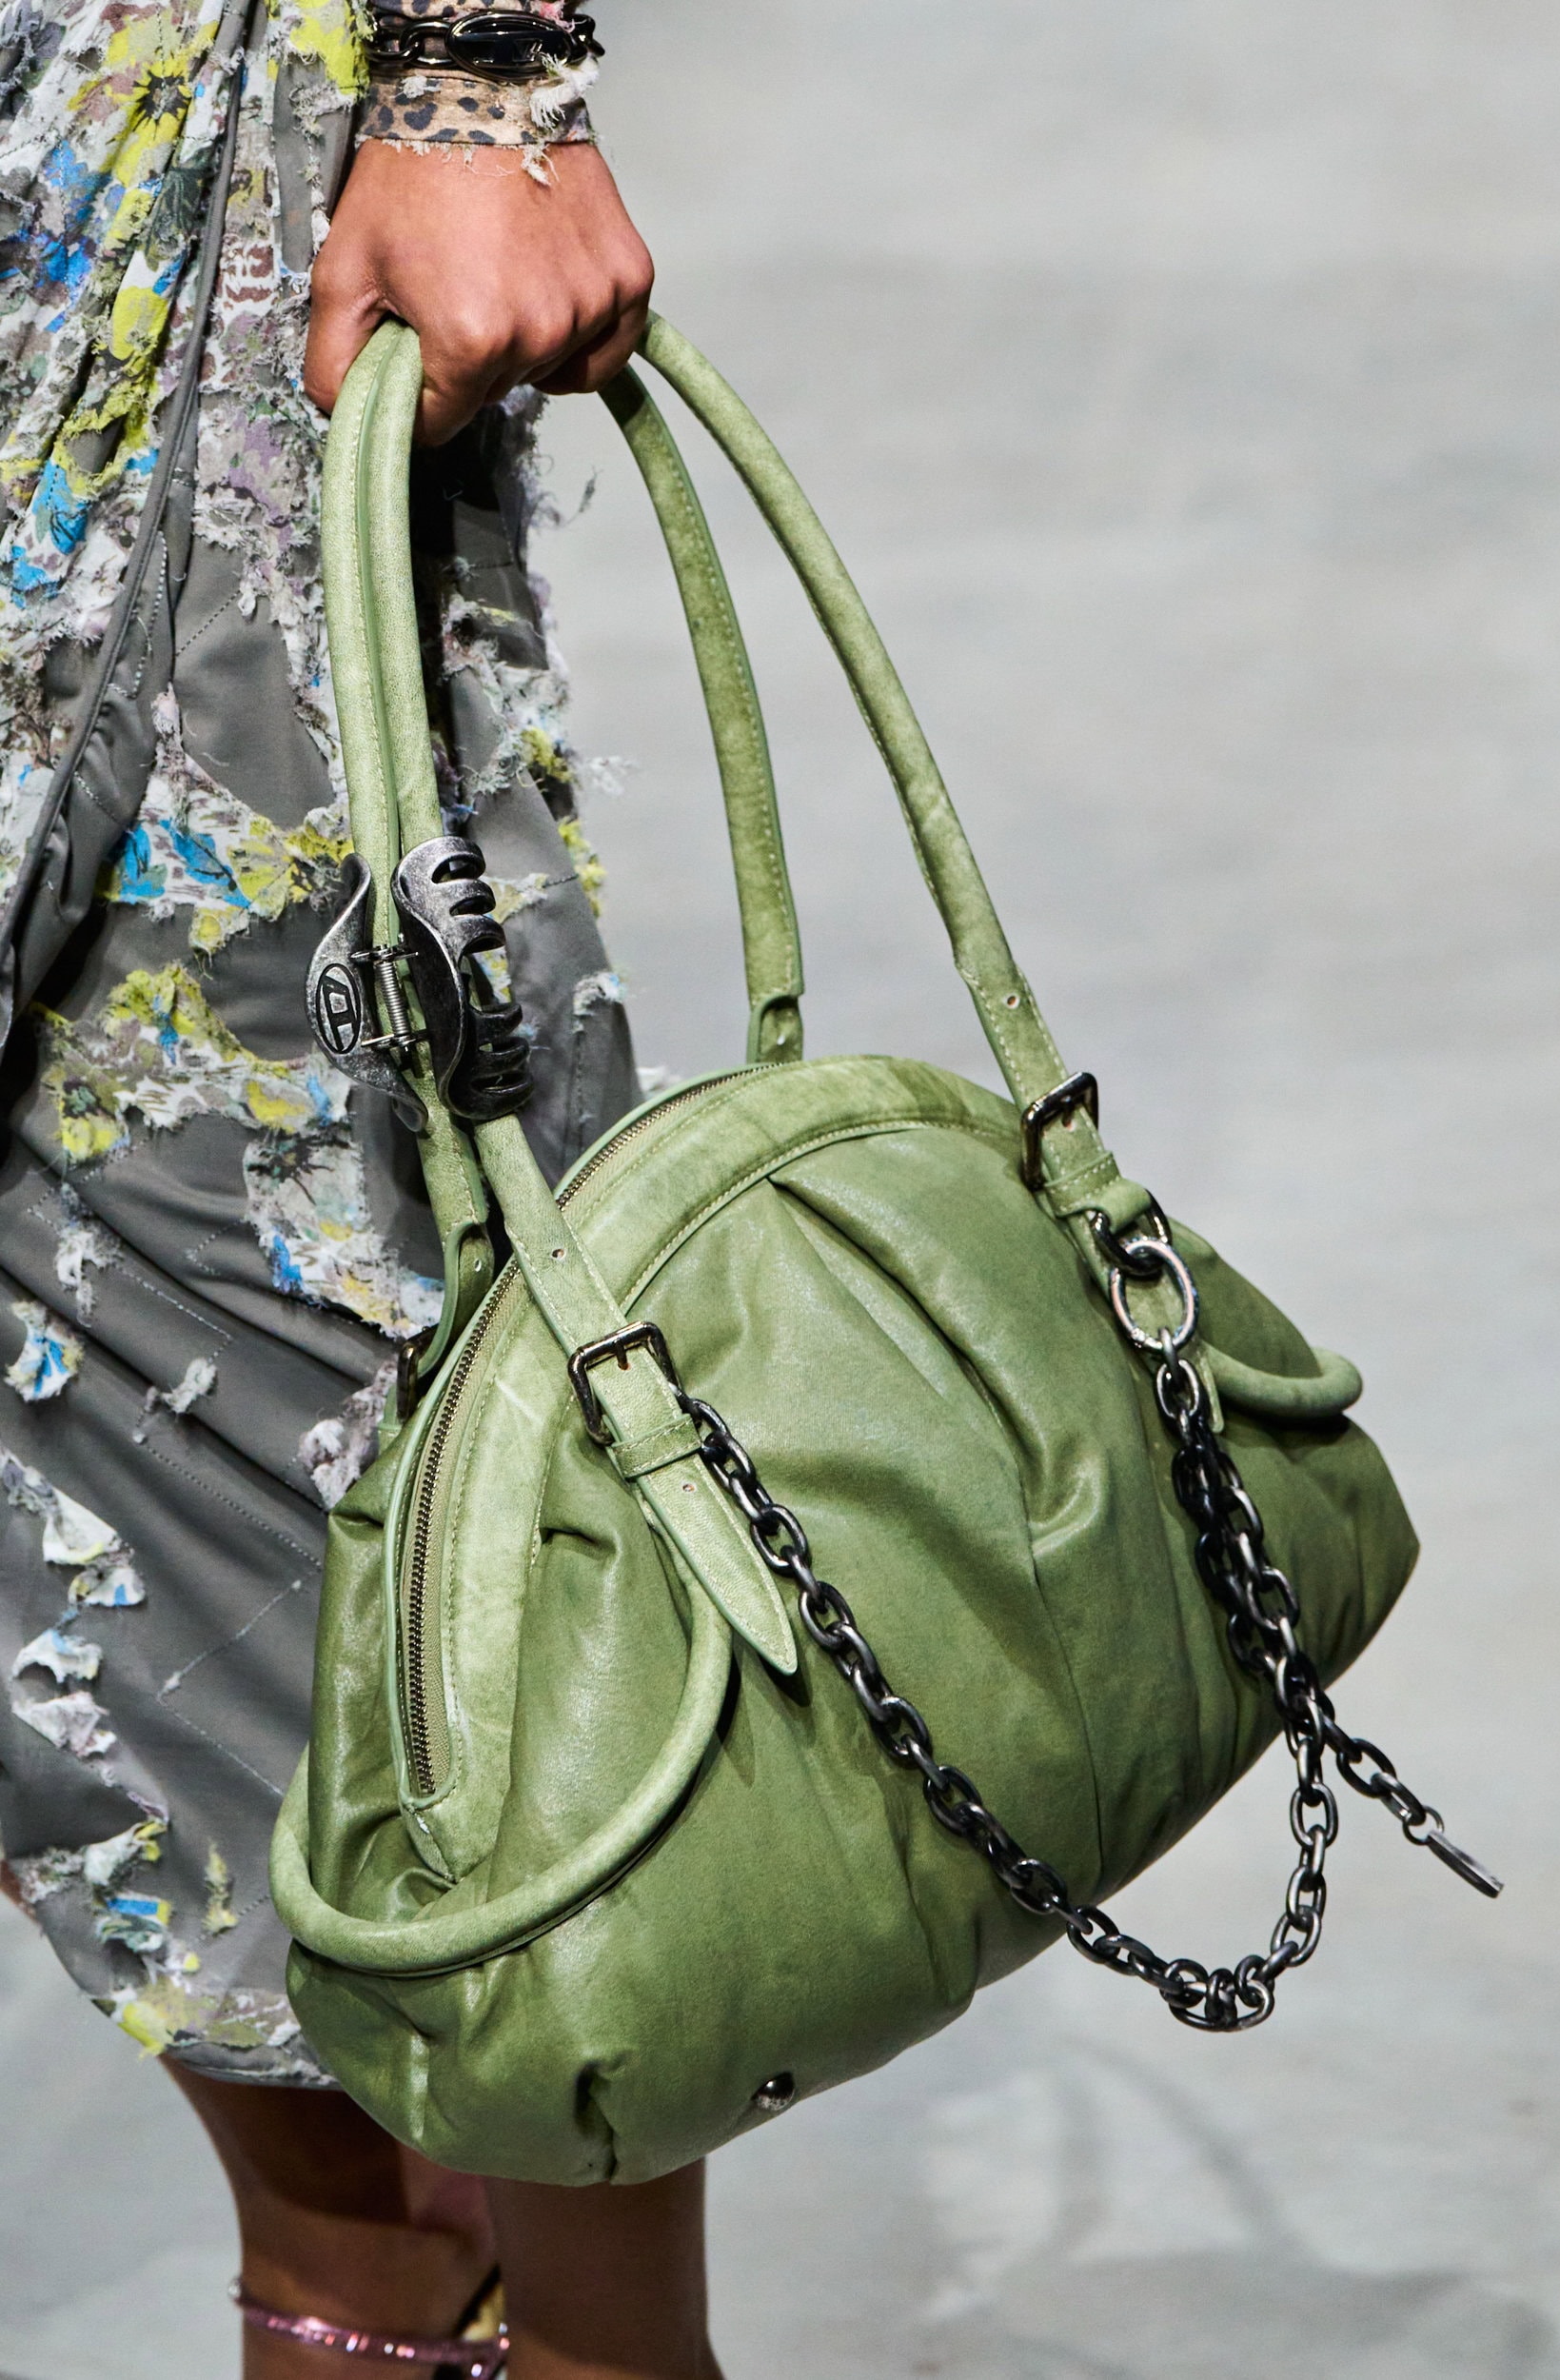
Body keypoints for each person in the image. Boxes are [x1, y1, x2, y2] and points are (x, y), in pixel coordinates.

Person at [0, 0, 722, 2370]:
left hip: (141, 195)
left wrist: (470, 67)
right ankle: (360, 2263)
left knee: (343, 1303)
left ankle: (585, 2319)